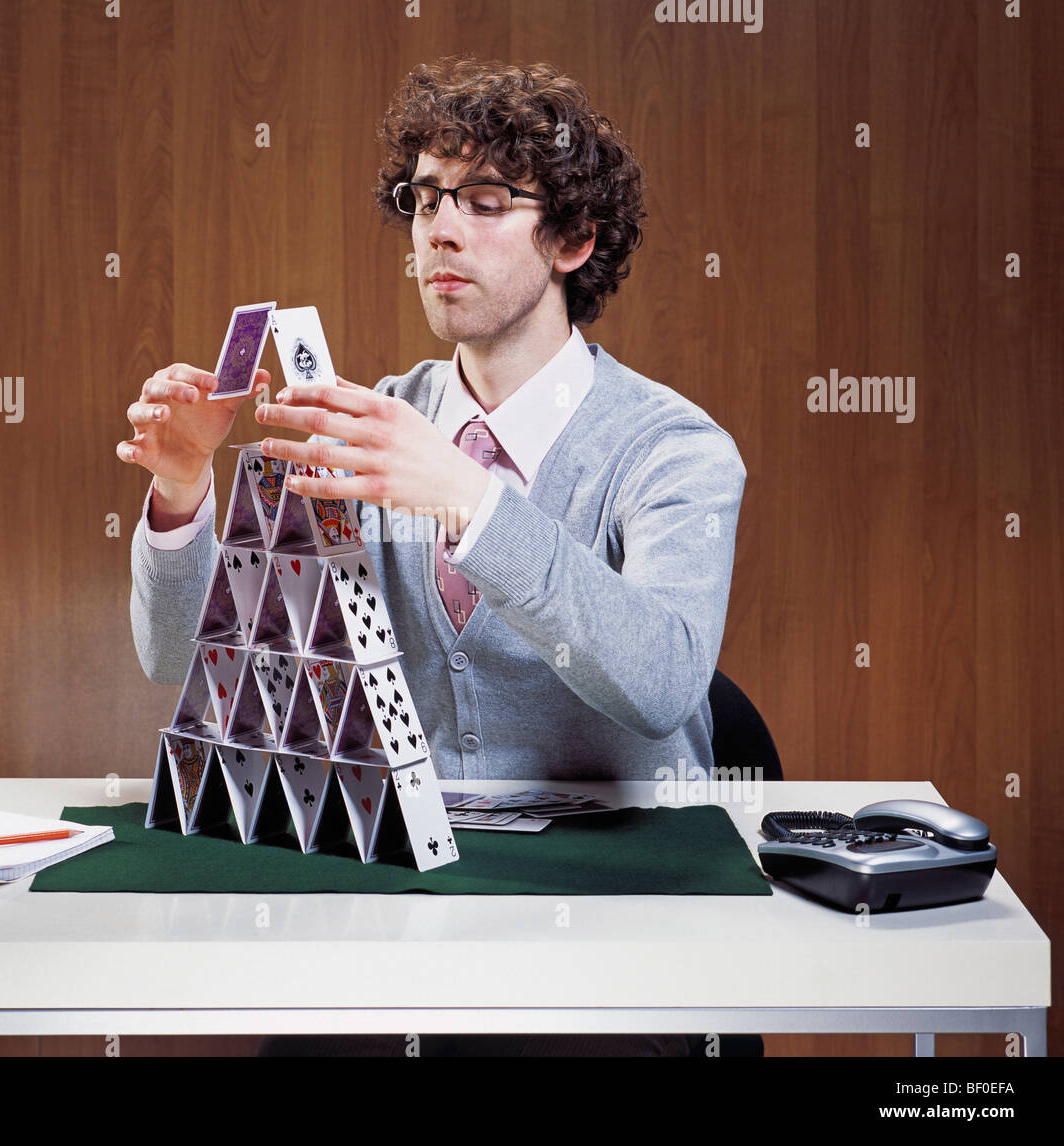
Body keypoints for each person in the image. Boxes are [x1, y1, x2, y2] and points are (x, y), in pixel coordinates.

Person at [119, 56, 746, 1058]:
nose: (440, 231)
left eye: (486, 201)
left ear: (574, 239)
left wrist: (470, 499)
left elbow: (665, 679)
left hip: (623, 933)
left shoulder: (674, 451)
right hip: (395, 910)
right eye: (424, 201)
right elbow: (185, 661)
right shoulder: (368, 423)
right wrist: (185, 487)